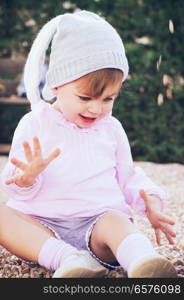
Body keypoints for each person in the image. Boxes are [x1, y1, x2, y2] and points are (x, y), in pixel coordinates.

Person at [0, 10, 177, 278]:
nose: (96, 108)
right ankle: (68, 260)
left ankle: (143, 261)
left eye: (108, 99)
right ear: (57, 85)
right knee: (3, 218)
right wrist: (26, 179)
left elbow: (128, 176)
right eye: (86, 97)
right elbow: (13, 187)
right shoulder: (35, 122)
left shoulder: (111, 129)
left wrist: (150, 202)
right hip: (43, 227)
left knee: (117, 220)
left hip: (98, 226)